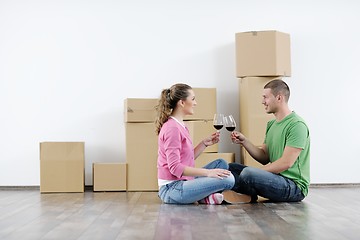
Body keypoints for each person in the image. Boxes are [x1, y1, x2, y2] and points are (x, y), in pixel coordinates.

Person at [155, 83, 250, 205]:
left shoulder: (181, 125)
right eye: (193, 99)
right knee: (228, 179)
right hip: (172, 189)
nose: (195, 103)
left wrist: (204, 144)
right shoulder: (172, 128)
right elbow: (175, 168)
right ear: (182, 103)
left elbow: (185, 160)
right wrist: (208, 173)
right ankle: (205, 196)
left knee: (221, 163)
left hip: (184, 181)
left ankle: (203, 196)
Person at [228, 79, 310, 202]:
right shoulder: (272, 124)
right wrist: (244, 141)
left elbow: (285, 163)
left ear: (279, 98)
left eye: (265, 97)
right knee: (229, 168)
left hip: (293, 187)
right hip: (275, 179)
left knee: (248, 173)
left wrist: (256, 173)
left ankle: (239, 192)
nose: (262, 102)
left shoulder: (297, 125)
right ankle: (246, 193)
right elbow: (264, 157)